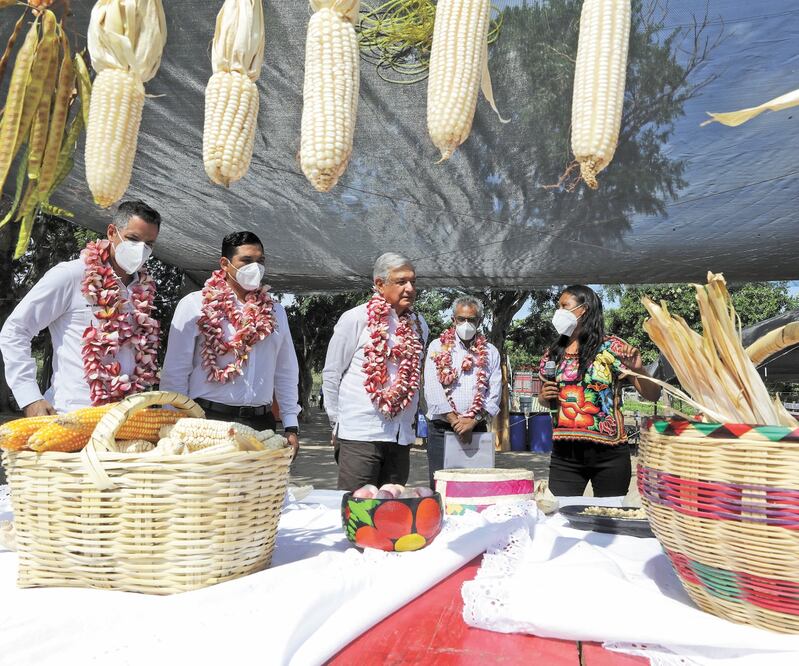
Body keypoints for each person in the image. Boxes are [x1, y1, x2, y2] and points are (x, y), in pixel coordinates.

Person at [0, 200, 162, 414]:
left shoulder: (143, 291)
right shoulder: (72, 275)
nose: (141, 250)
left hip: (124, 420)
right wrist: (29, 397)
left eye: (148, 244)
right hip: (71, 414)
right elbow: (15, 330)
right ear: (112, 233)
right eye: (133, 239)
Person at [160, 231, 301, 457]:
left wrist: (291, 426)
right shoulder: (195, 305)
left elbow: (285, 372)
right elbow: (175, 373)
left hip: (262, 425)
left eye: (260, 261)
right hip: (208, 423)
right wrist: (172, 425)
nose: (255, 268)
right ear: (225, 264)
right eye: (246, 261)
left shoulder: (277, 311)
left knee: (259, 492)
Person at [537, 285, 661, 497]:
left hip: (609, 454)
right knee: (561, 517)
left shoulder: (612, 347)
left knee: (611, 520)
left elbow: (652, 394)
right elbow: (548, 397)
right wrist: (543, 397)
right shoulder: (553, 353)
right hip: (565, 454)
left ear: (583, 309)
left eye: (564, 306)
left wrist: (638, 369)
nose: (558, 312)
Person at [322, 252, 429, 491]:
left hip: (400, 437)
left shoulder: (420, 324)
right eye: (401, 282)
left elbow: (415, 376)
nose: (410, 288)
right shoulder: (355, 319)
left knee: (392, 512)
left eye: (413, 281)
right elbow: (331, 373)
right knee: (357, 511)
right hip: (360, 435)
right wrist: (336, 422)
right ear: (380, 284)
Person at [423, 296, 502, 488]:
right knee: (441, 488)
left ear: (480, 321)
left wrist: (473, 421)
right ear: (453, 320)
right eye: (461, 319)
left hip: (477, 429)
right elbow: (432, 389)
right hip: (442, 430)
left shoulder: (491, 352)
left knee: (476, 487)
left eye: (471, 320)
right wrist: (455, 422)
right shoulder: (437, 346)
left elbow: (494, 393)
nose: (466, 324)